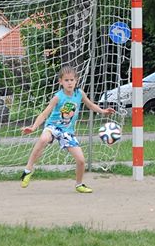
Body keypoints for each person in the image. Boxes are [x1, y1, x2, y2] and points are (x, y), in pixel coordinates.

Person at [20, 65, 115, 193]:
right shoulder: (58, 97)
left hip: (67, 132)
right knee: (43, 139)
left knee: (81, 160)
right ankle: (28, 169)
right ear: (61, 82)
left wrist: (103, 111)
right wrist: (33, 127)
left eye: (72, 80)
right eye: (66, 80)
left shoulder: (79, 94)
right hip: (53, 127)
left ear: (76, 80)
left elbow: (91, 105)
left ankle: (79, 184)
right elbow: (44, 114)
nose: (69, 83)